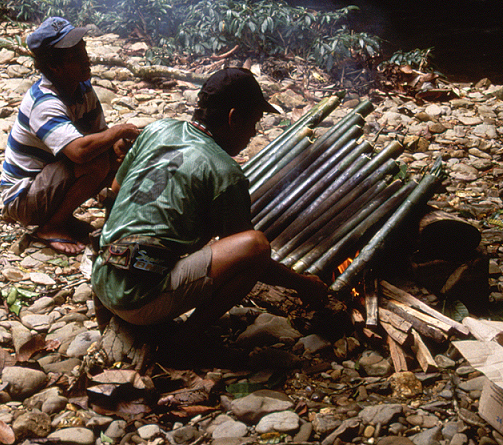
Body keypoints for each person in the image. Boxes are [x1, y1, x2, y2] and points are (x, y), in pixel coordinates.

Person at [91, 67, 328, 359]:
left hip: (101, 277)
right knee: (256, 245)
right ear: (233, 118)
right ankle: (183, 342)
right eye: (254, 122)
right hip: (138, 303)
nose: (254, 132)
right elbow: (250, 258)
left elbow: (113, 193)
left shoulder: (157, 129)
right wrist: (303, 285)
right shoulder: (225, 171)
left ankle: (119, 302)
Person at [0, 17, 140, 255]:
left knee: (123, 161)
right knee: (95, 161)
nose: (86, 58)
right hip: (23, 198)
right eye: (75, 56)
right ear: (55, 67)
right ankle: (51, 226)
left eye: (83, 49)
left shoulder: (81, 88)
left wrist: (118, 145)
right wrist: (118, 131)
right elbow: (80, 151)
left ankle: (110, 221)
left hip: (50, 180)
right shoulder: (43, 102)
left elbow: (98, 136)